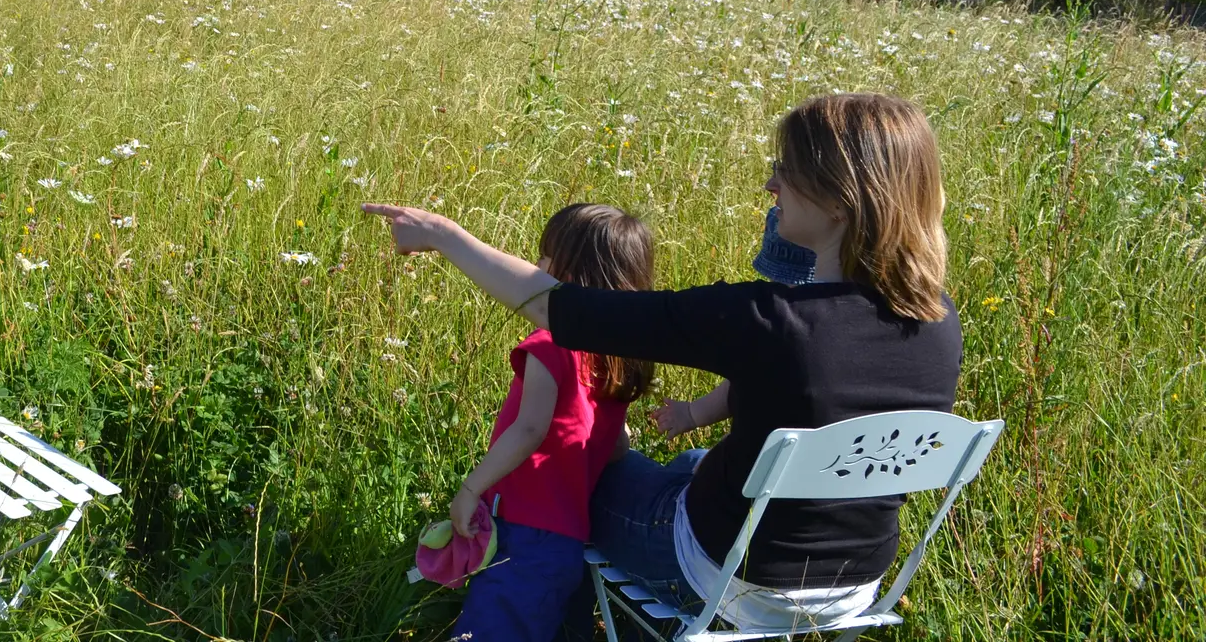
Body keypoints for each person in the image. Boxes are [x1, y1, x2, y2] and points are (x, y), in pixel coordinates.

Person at [366, 93, 961, 633]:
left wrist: (443, 235)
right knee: (696, 459)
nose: (770, 186)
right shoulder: (939, 321)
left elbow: (561, 308)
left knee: (578, 478)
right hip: (854, 586)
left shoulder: (768, 321)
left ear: (838, 200)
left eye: (786, 170)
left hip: (728, 577)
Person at [439, 204, 655, 642]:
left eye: (543, 257)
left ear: (562, 271)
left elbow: (529, 429)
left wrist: (469, 490)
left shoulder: (551, 341)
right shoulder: (619, 356)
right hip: (568, 542)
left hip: (521, 532)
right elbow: (616, 447)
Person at [652, 206, 816, 439]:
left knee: (690, 462)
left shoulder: (770, 330)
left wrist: (692, 414)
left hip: (765, 463)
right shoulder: (862, 320)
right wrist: (691, 413)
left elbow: (744, 381)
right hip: (837, 463)